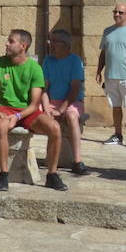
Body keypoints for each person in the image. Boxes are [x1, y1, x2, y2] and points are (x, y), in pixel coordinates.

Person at [0, 28, 65, 192]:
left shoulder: (35, 68)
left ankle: (52, 174)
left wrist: (18, 116)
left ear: (23, 46)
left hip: (27, 111)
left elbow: (35, 104)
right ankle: (3, 174)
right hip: (5, 109)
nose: (6, 44)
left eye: (11, 41)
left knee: (55, 128)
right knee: (1, 126)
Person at [41, 29, 91, 175]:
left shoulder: (75, 61)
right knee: (34, 114)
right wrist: (45, 108)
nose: (51, 44)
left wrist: (61, 109)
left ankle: (77, 161)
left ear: (65, 44)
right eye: (50, 40)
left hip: (72, 101)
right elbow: (44, 88)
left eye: (55, 41)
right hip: (52, 101)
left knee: (71, 116)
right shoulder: (48, 61)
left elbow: (75, 89)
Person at [96, 3, 126, 148]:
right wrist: (99, 70)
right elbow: (104, 53)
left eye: (121, 12)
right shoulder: (107, 31)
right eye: (115, 12)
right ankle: (117, 134)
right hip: (111, 75)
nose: (117, 14)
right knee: (115, 106)